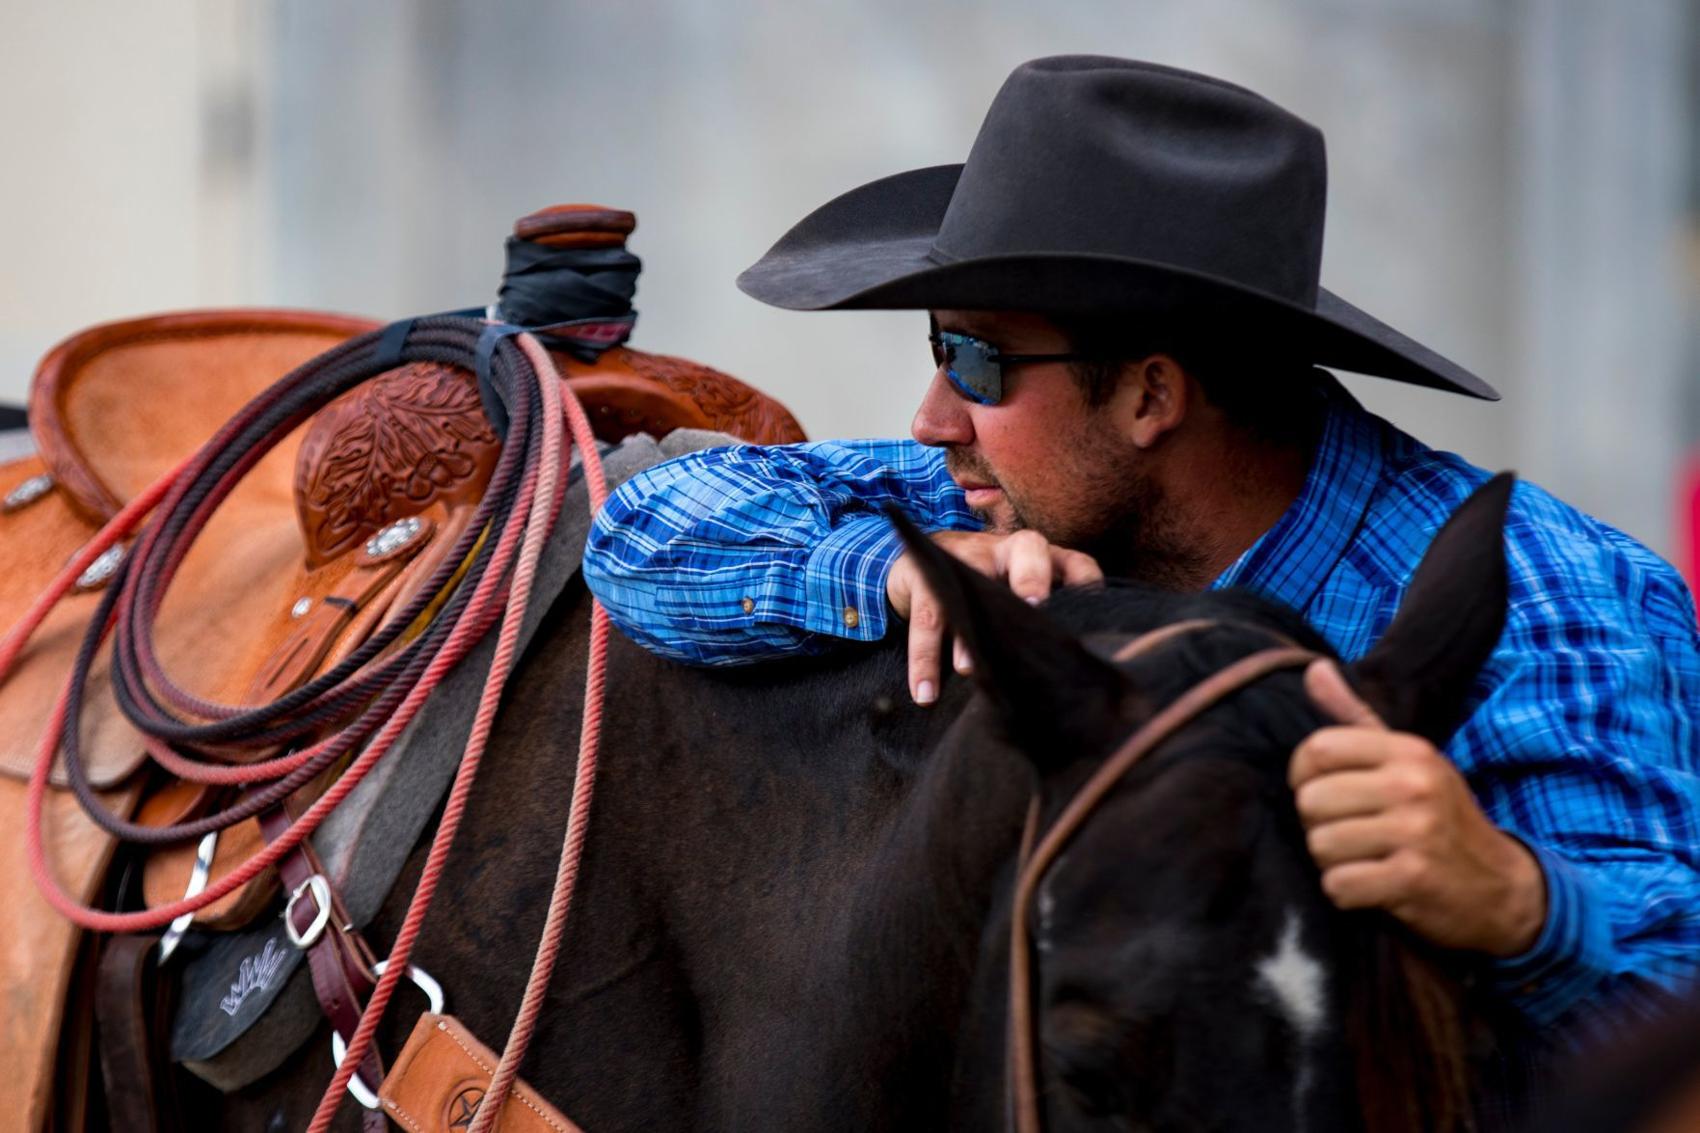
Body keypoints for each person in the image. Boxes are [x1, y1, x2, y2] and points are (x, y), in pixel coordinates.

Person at [582, 55, 1700, 1093]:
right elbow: (639, 532)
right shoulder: (1007, 498)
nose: (930, 421)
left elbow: (1670, 1010)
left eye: (972, 360)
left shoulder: (1549, 607)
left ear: (1149, 397)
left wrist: (1515, 903)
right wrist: (889, 572)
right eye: (937, 349)